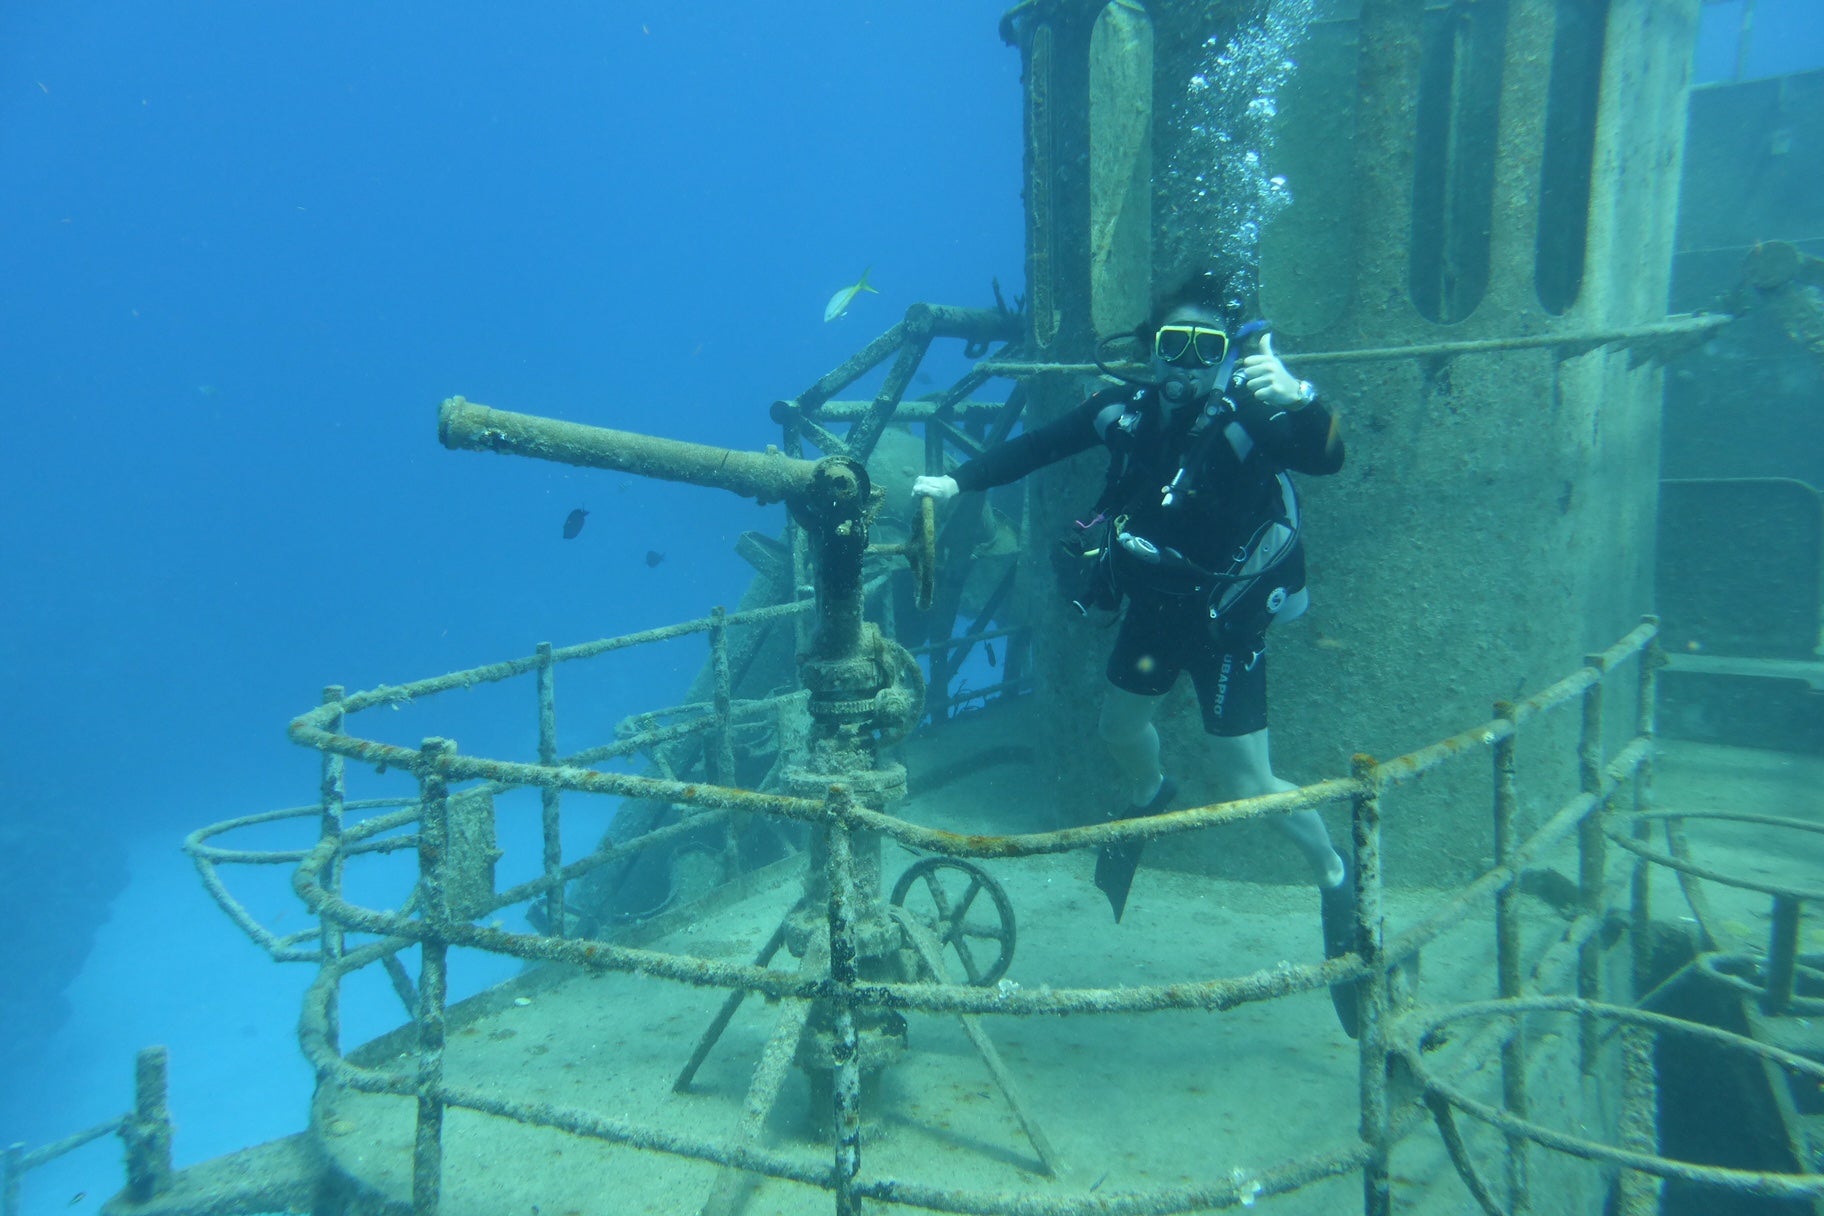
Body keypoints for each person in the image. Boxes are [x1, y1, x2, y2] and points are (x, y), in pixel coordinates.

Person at [912, 271, 1359, 1036]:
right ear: (1152, 352)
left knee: (1250, 782)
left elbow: (1324, 457)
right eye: (1172, 347)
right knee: (1118, 731)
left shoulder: (1252, 416)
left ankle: (1334, 875)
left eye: (1204, 348)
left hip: (1225, 622)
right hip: (1154, 613)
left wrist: (1299, 395)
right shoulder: (1124, 414)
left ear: (1224, 356)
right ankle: (1152, 794)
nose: (1185, 365)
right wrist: (956, 482)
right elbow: (1037, 448)